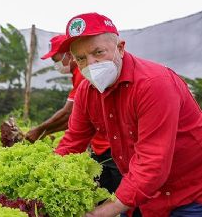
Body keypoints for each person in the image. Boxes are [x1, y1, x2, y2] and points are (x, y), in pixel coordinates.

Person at [54, 12, 202, 217]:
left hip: (187, 196)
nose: (91, 64)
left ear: (120, 48)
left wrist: (104, 210)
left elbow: (153, 161)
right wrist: (47, 178)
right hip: (138, 194)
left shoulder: (154, 84)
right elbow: (73, 141)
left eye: (98, 52)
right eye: (81, 58)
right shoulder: (86, 92)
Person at [26, 35, 122, 195]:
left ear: (69, 55)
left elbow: (68, 113)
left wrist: (40, 131)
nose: (56, 65)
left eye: (56, 59)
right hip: (100, 147)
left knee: (120, 201)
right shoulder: (81, 75)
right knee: (105, 197)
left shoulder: (85, 72)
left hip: (112, 148)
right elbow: (76, 125)